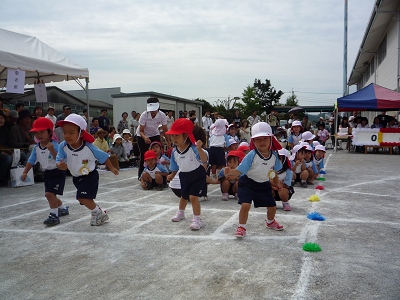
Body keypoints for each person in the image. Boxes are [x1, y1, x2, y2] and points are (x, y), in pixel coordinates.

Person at [56, 114, 119, 226]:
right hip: (76, 177)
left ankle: (97, 212)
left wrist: (112, 168)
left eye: (71, 133)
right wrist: (60, 165)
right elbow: (59, 159)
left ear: (80, 133)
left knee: (82, 197)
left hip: (90, 176)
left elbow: (104, 156)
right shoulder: (63, 146)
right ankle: (100, 213)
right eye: (64, 132)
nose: (67, 136)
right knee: (83, 199)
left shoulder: (89, 147)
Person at [224, 122, 284, 238]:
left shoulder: (274, 156)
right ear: (253, 141)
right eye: (258, 139)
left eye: (265, 139)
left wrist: (277, 183)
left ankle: (270, 222)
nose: (262, 142)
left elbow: (273, 172)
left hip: (264, 184)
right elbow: (241, 170)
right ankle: (241, 227)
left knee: (272, 206)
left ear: (271, 140)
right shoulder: (252, 155)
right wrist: (231, 172)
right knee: (245, 205)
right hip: (248, 183)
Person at [21, 117, 68, 226]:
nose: (39, 135)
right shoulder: (37, 147)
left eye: (42, 132)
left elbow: (61, 160)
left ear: (50, 132)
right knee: (51, 195)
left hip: (57, 172)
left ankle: (54, 216)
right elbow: (31, 161)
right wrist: (25, 172)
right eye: (36, 132)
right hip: (47, 173)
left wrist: (52, 150)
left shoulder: (56, 145)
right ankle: (63, 209)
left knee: (49, 194)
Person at [167, 118, 208, 231]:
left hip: (197, 174)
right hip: (184, 175)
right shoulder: (174, 151)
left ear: (186, 136)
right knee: (184, 196)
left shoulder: (193, 148)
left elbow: (204, 160)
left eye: (177, 135)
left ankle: (197, 219)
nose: (174, 138)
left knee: (193, 197)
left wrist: (200, 149)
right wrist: (172, 174)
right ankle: (181, 212)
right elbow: (175, 166)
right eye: (172, 136)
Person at [136, 98, 171, 178]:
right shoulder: (144, 115)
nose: (152, 112)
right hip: (142, 135)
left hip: (154, 133)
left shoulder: (162, 115)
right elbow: (141, 130)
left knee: (158, 153)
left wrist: (169, 143)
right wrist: (145, 138)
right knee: (144, 154)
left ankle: (160, 172)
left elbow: (165, 130)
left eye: (154, 110)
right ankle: (141, 175)